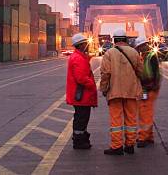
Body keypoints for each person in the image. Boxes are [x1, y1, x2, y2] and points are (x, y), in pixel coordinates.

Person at [99, 28, 143, 156]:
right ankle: (130, 145)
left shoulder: (109, 53)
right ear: (126, 39)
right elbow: (141, 71)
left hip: (115, 91)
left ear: (114, 40)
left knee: (116, 120)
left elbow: (105, 73)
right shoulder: (134, 53)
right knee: (131, 119)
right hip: (131, 90)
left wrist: (104, 88)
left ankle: (117, 147)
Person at [66, 33, 97, 150]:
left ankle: (80, 138)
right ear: (81, 45)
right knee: (81, 118)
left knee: (81, 117)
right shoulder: (78, 59)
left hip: (80, 95)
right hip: (81, 95)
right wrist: (92, 85)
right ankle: (79, 141)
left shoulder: (78, 57)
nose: (88, 45)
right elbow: (81, 78)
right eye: (86, 43)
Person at [134, 36, 161, 147]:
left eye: (141, 46)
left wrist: (153, 85)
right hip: (147, 87)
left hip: (149, 88)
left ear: (145, 45)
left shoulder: (150, 56)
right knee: (146, 111)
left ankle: (143, 137)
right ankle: (149, 136)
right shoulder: (145, 57)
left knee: (145, 113)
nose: (140, 49)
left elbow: (156, 73)